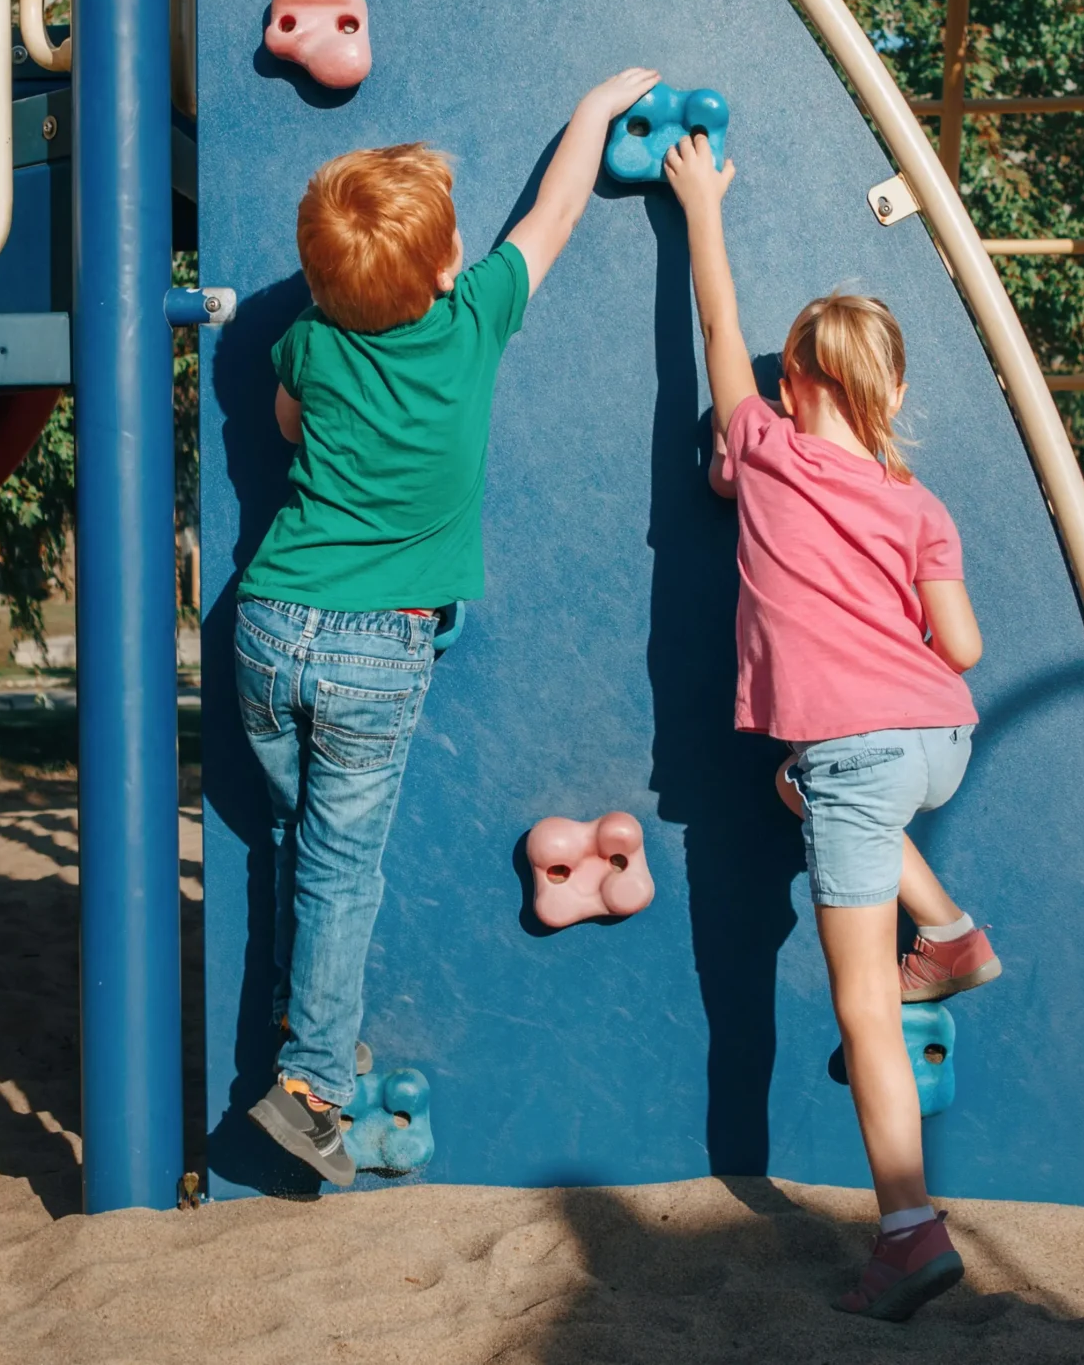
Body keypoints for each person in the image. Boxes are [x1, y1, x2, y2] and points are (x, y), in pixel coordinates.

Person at [237, 68, 662, 1185]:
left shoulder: (310, 345)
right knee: (337, 863)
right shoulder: (474, 317)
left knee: (307, 842)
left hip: (271, 625)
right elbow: (555, 215)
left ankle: (307, 1022)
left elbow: (286, 429)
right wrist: (590, 112)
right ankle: (315, 1083)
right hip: (378, 647)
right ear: (442, 267)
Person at [665, 132, 999, 1321]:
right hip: (938, 739)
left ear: (793, 381)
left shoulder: (760, 448)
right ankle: (951, 931)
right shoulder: (919, 503)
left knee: (860, 997)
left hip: (856, 752)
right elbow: (959, 647)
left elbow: (714, 320)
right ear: (893, 391)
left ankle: (907, 1231)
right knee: (802, 795)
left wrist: (701, 205)